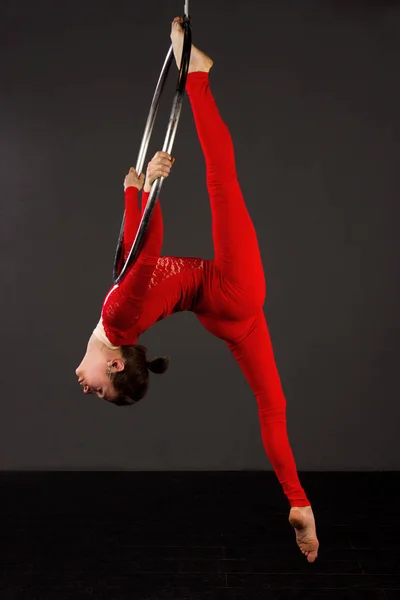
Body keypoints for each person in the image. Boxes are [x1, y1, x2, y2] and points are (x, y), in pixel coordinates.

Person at [76, 17, 319, 562]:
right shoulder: (117, 320)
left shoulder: (117, 321)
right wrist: (145, 190)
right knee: (220, 180)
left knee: (272, 406)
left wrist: (133, 191)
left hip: (221, 309)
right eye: (100, 390)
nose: (86, 388)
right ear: (116, 365)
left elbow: (131, 259)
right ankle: (199, 77)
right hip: (231, 290)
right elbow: (145, 250)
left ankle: (299, 503)